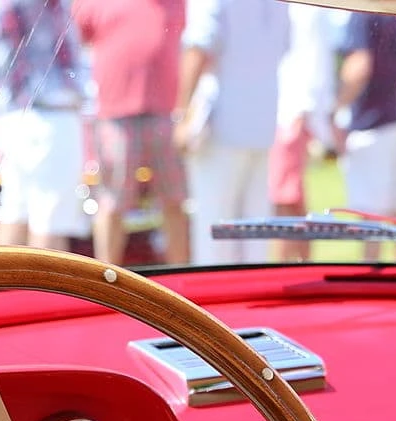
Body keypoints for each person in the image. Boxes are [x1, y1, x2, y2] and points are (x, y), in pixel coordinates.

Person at [74, 0, 189, 264]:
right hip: (116, 115)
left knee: (174, 201)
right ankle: (106, 278)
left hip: (165, 113)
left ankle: (182, 278)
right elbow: (74, 38)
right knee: (113, 203)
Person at [176, 0, 290, 266]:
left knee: (214, 226)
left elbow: (198, 47)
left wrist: (181, 115)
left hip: (222, 124)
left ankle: (211, 299)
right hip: (261, 120)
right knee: (252, 228)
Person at [0, 0, 90, 251]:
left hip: (14, 110)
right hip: (48, 112)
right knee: (49, 222)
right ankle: (45, 293)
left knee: (15, 211)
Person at [335, 12, 396, 261]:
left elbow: (360, 65)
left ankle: (370, 277)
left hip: (370, 126)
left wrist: (335, 107)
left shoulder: (362, 13)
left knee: (371, 216)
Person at [268, 5, 341, 261]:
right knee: (288, 199)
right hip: (285, 111)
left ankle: (285, 268)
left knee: (284, 200)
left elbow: (311, 57)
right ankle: (298, 265)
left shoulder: (307, 10)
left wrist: (302, 109)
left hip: (290, 112)